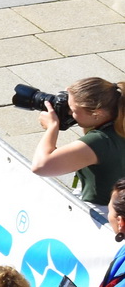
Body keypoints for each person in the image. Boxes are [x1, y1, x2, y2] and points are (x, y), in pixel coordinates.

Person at [29, 79, 125, 211]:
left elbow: (40, 166)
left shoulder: (100, 141)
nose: (69, 113)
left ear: (97, 113)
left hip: (103, 213)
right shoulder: (119, 122)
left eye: (73, 110)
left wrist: (52, 127)